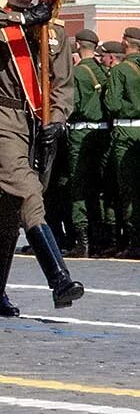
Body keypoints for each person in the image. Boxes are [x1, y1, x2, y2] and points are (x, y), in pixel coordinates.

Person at [0, 0, 81, 316]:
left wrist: (58, 120)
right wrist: (23, 18)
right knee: (29, 194)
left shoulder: (55, 32)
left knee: (11, 213)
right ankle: (59, 279)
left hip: (40, 127)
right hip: (6, 121)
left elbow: (64, 85)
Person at [52, 29, 109, 254]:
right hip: (104, 133)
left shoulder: (76, 74)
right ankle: (102, 238)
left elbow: (69, 106)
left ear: (78, 46)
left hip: (80, 134)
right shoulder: (104, 71)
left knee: (79, 186)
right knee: (100, 188)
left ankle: (83, 241)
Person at [81, 40, 126, 256]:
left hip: (115, 131)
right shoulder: (104, 73)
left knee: (103, 187)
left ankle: (101, 240)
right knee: (114, 188)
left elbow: (113, 105)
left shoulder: (116, 73)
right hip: (111, 132)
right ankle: (119, 239)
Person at [102, 28, 140, 256]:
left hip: (126, 132)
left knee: (129, 191)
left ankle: (134, 242)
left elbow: (113, 104)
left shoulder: (122, 70)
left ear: (125, 43)